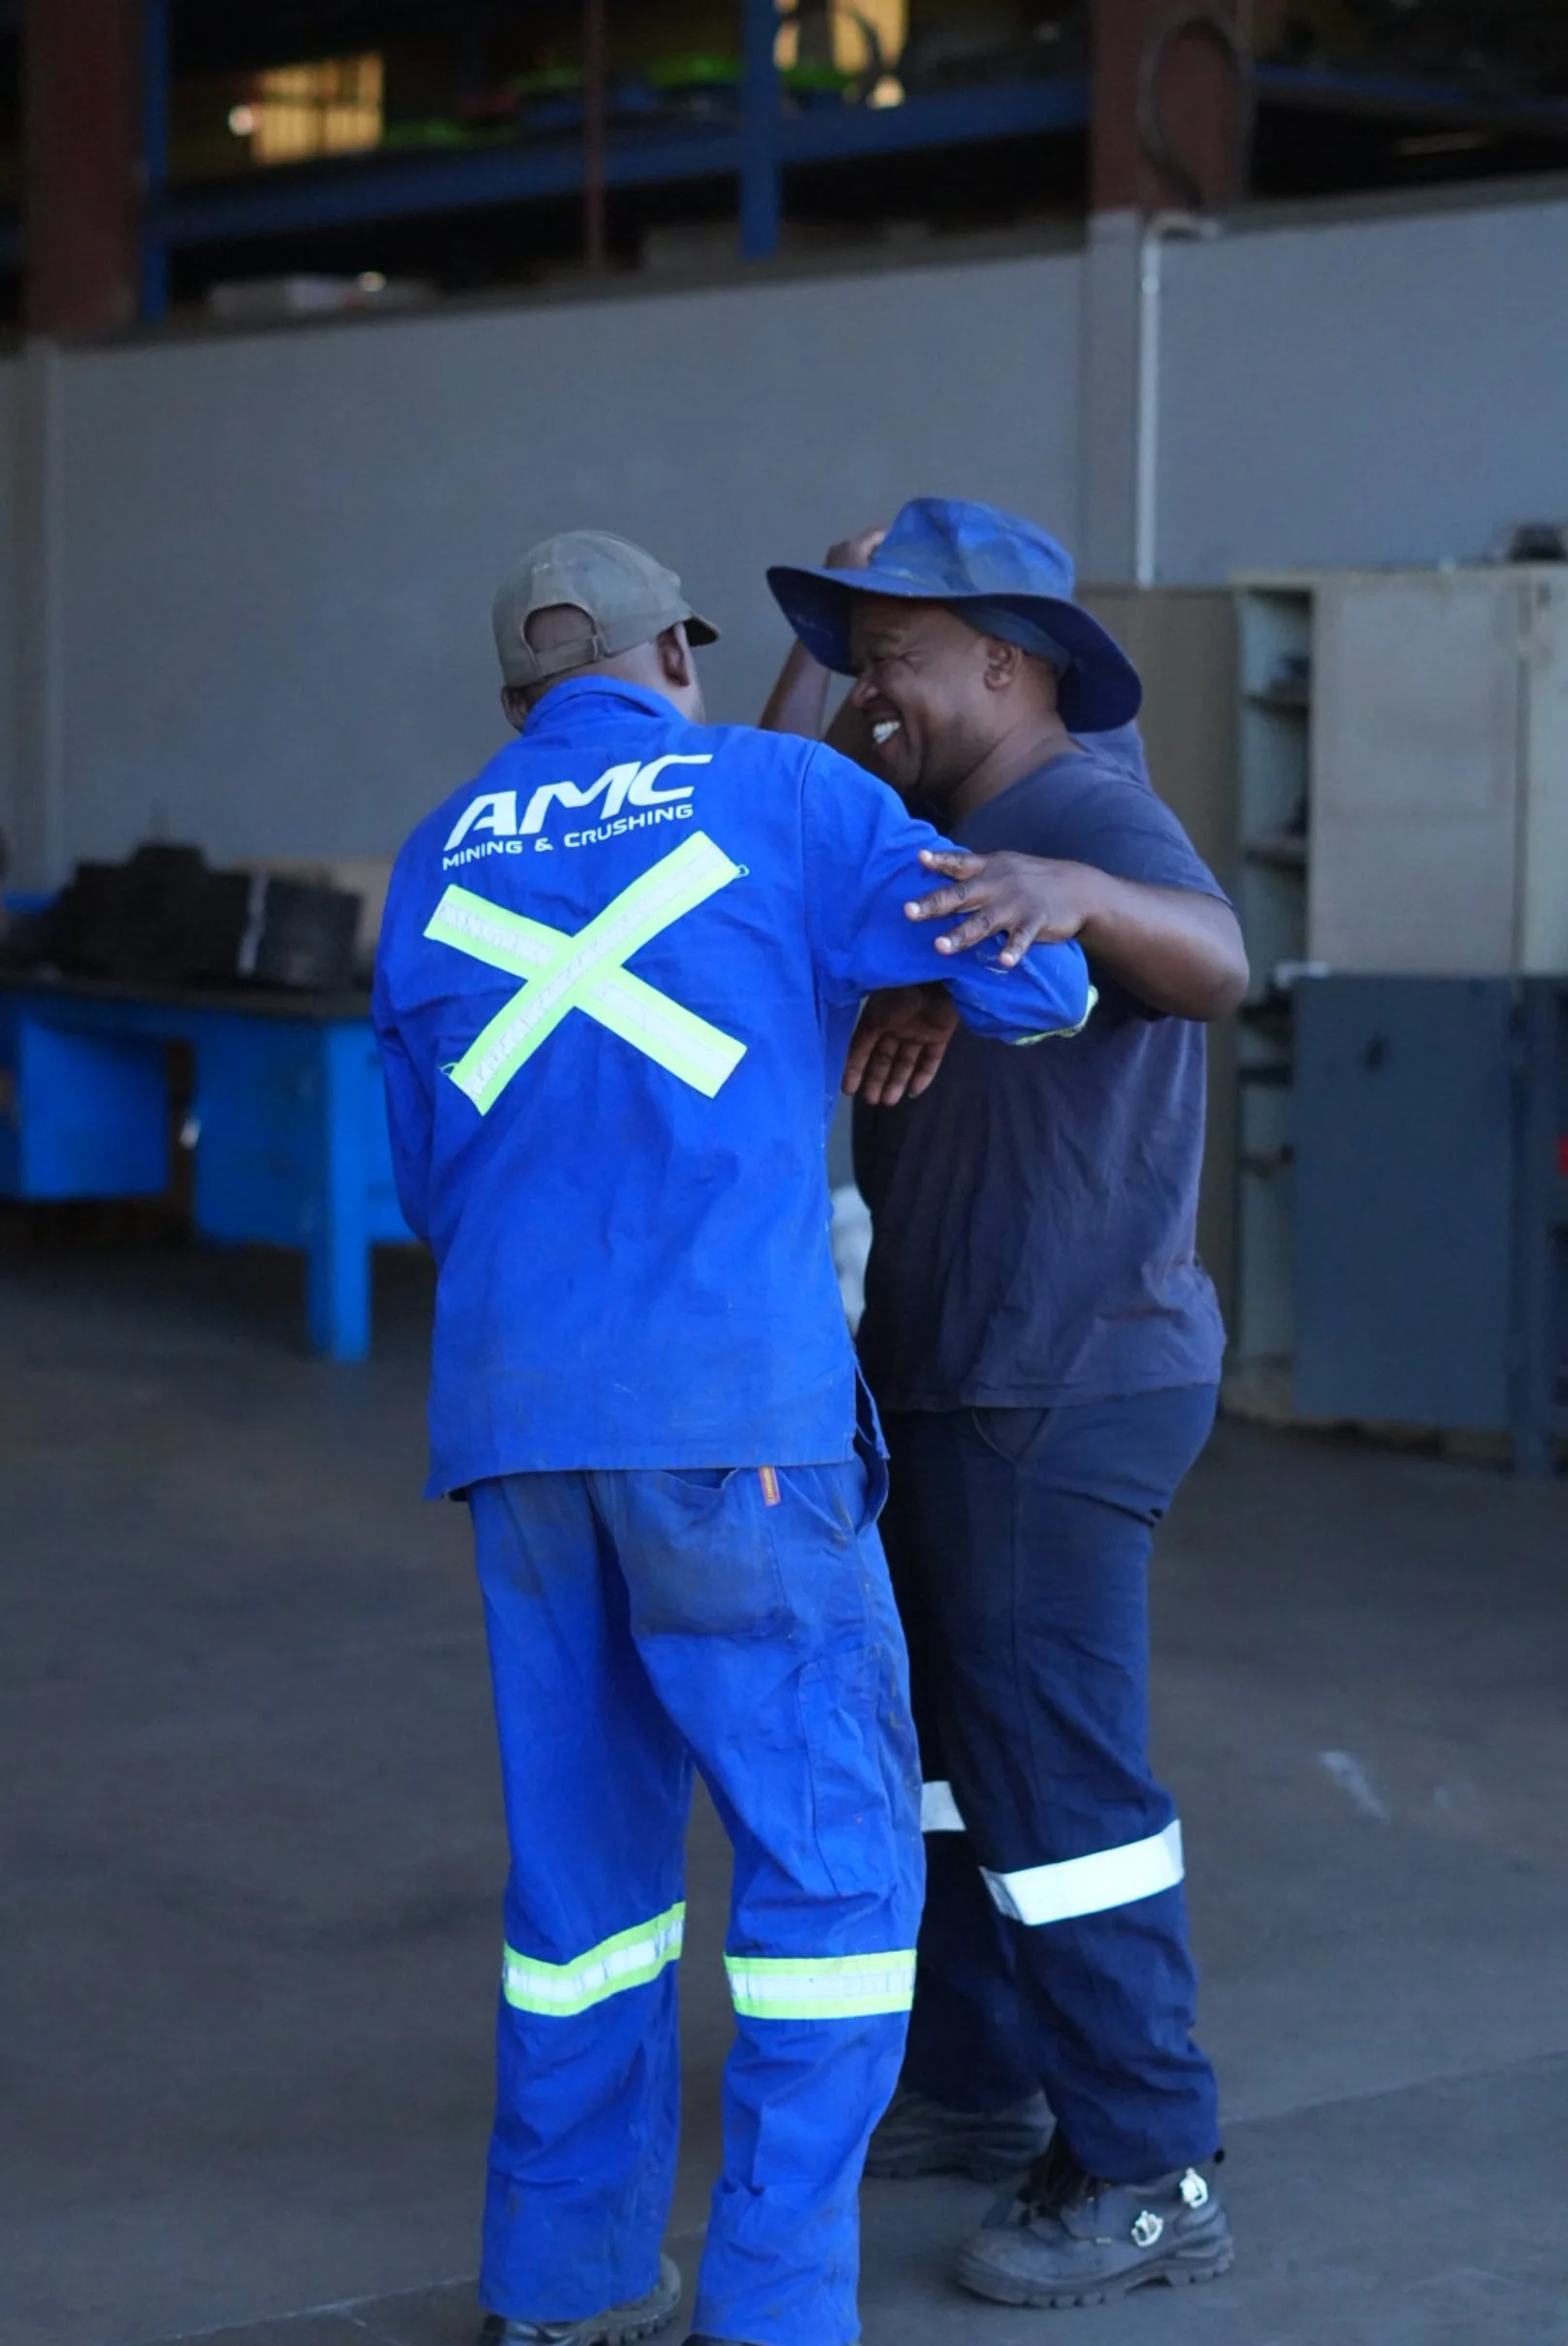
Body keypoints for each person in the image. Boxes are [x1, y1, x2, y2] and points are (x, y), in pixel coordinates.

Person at [371, 528, 1097, 2346]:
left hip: (520, 1426)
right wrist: (925, 964)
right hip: (733, 1426)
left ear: (520, 694)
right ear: (674, 655)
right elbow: (1032, 975)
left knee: (589, 1900)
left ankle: (567, 2284)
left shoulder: (433, 852)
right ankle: (775, 2305)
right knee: (834, 1872)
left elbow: (426, 1180)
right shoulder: (777, 794)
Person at [763, 497, 1250, 2311]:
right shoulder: (940, 824)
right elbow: (799, 794)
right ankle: (975, 2077)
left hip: (1061, 1376)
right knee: (960, 1771)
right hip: (957, 1373)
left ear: (1011, 662)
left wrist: (1082, 899)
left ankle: (1148, 2156)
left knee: (1060, 1781)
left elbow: (1214, 958)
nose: (874, 682)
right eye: (864, 648)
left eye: (902, 650)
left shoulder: (1076, 809)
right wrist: (832, 640)